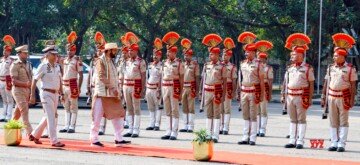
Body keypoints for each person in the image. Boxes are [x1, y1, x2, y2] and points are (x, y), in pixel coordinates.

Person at [321, 33, 357, 152]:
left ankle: (342, 143)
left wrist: (352, 99)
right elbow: (327, 81)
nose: (334, 57)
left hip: (344, 97)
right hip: (331, 97)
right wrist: (323, 96)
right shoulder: (331, 67)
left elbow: (353, 85)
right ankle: (334, 142)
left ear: (342, 56)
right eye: (334, 56)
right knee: (333, 120)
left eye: (336, 56)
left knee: (343, 121)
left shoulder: (350, 68)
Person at [90, 42, 131, 147]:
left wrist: (117, 90)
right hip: (102, 94)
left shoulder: (112, 61)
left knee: (119, 115)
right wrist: (112, 87)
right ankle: (94, 140)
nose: (115, 52)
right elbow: (101, 76)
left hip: (113, 94)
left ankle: (119, 138)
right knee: (97, 117)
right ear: (108, 51)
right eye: (114, 50)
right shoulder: (100, 61)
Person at [29, 43, 65, 147]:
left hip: (55, 93)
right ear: (48, 55)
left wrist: (62, 93)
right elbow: (34, 80)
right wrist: (32, 95)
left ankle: (35, 134)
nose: (56, 56)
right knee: (51, 117)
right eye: (53, 54)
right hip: (46, 93)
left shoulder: (57, 66)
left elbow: (59, 80)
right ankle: (54, 140)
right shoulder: (43, 66)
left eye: (56, 54)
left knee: (48, 116)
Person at [282, 33, 314, 149]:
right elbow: (286, 83)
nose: (292, 56)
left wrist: (310, 98)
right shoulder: (290, 68)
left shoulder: (307, 68)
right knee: (292, 118)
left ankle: (300, 141)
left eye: (294, 54)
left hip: (301, 96)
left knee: (301, 119)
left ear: (301, 55)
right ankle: (292, 140)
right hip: (290, 95)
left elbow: (311, 84)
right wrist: (283, 95)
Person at [237, 32, 265, 146]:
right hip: (244, 91)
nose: (246, 53)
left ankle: (252, 137)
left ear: (253, 53)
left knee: (253, 115)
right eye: (245, 51)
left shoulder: (259, 64)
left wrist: (262, 94)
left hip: (254, 92)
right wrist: (238, 91)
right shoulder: (242, 64)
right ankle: (245, 136)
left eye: (248, 51)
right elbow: (240, 78)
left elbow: (262, 80)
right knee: (245, 114)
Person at [200, 34, 227, 143]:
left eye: (212, 54)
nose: (210, 56)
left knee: (216, 113)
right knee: (208, 113)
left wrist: (223, 95)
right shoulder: (207, 65)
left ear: (217, 55)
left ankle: (215, 135)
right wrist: (200, 93)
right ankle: (208, 134)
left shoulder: (222, 66)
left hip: (217, 91)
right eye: (209, 54)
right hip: (207, 91)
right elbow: (203, 79)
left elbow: (224, 82)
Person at [122, 32, 146, 138]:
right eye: (129, 50)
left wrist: (142, 89)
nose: (130, 52)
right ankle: (130, 129)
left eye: (132, 50)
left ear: (136, 51)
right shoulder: (126, 61)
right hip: (126, 85)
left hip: (136, 85)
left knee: (136, 108)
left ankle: (136, 129)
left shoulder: (141, 62)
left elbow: (143, 76)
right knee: (129, 108)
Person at [160, 31, 184, 140]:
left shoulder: (179, 63)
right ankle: (168, 130)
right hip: (165, 86)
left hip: (174, 87)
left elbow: (182, 78)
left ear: (174, 53)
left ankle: (174, 131)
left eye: (170, 52)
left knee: (175, 110)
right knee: (167, 109)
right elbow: (162, 76)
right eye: (167, 52)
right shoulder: (165, 62)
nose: (168, 54)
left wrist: (181, 92)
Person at [59, 31, 83, 133]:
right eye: (68, 50)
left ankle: (72, 126)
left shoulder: (77, 60)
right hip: (64, 85)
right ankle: (66, 125)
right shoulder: (64, 60)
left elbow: (81, 75)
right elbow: (62, 72)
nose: (69, 52)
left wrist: (79, 87)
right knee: (66, 106)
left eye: (71, 50)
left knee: (74, 106)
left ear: (74, 51)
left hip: (73, 84)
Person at [10, 44, 34, 141]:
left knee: (17, 113)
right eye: (24, 53)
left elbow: (31, 78)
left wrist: (31, 89)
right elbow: (14, 81)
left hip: (26, 91)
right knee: (24, 111)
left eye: (27, 53)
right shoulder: (15, 65)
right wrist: (25, 84)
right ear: (19, 54)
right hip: (18, 91)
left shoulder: (28, 64)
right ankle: (31, 133)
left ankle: (10, 128)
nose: (26, 55)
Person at [88, 31, 107, 135]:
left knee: (102, 108)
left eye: (101, 50)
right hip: (94, 87)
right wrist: (88, 86)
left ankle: (102, 127)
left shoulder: (106, 62)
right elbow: (91, 74)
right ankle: (95, 126)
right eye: (98, 50)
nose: (99, 52)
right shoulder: (94, 61)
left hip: (102, 88)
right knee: (94, 108)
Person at [179, 38, 199, 133]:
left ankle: (191, 125)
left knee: (191, 107)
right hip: (183, 87)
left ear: (191, 56)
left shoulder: (194, 65)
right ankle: (185, 125)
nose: (186, 57)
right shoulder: (182, 64)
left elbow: (197, 78)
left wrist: (197, 90)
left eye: (187, 55)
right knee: (184, 106)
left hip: (191, 87)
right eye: (185, 55)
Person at [255, 40, 274, 137]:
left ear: (265, 58)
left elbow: (270, 82)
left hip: (265, 88)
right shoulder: (254, 66)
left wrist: (269, 94)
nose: (260, 59)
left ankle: (262, 129)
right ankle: (257, 129)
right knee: (256, 110)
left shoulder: (268, 68)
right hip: (255, 88)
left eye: (262, 57)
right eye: (258, 56)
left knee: (263, 110)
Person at [220, 37, 237, 135]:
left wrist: (234, 92)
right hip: (219, 88)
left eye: (226, 55)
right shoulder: (219, 65)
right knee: (220, 108)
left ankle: (226, 127)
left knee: (227, 108)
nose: (223, 56)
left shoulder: (232, 67)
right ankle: (220, 126)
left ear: (229, 56)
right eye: (223, 54)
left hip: (228, 88)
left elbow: (234, 80)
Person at [145, 38, 163, 131]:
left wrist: (160, 90)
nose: (155, 56)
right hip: (149, 88)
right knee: (150, 106)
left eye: (157, 55)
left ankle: (157, 124)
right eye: (154, 54)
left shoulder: (162, 66)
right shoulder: (150, 65)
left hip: (156, 88)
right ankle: (151, 123)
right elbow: (147, 77)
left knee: (158, 106)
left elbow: (161, 78)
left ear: (160, 56)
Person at [0, 35, 15, 122]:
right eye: (4, 50)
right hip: (1, 80)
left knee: (9, 99)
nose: (5, 52)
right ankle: (3, 115)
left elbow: (12, 72)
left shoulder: (11, 60)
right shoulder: (1, 60)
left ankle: (9, 116)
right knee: (4, 99)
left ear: (9, 52)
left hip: (7, 80)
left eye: (6, 51)